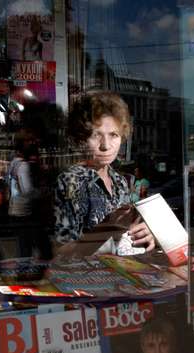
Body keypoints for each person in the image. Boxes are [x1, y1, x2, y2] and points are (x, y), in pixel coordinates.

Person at [53, 92, 155, 251]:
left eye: (114, 135)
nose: (106, 145)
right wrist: (108, 226)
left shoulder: (119, 181)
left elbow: (124, 240)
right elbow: (62, 253)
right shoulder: (70, 180)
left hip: (118, 270)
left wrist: (143, 235)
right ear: (81, 138)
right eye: (96, 135)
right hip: (86, 274)